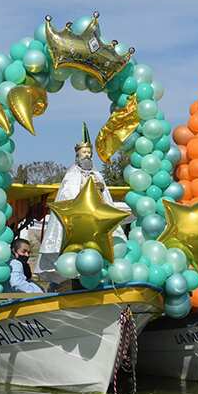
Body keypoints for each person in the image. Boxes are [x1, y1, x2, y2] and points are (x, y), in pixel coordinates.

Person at [35, 123, 125, 287]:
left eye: (89, 153)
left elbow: (105, 198)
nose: (87, 155)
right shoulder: (72, 175)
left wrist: (99, 189)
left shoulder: (97, 175)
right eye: (84, 152)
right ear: (77, 155)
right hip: (78, 221)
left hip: (96, 219)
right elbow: (68, 197)